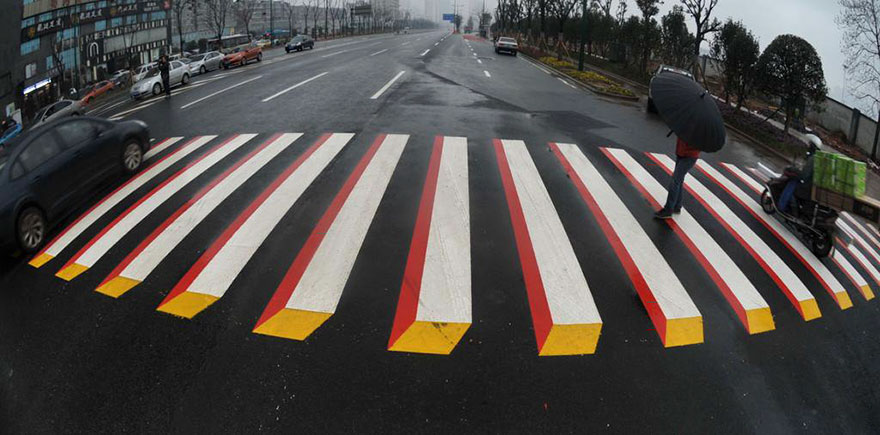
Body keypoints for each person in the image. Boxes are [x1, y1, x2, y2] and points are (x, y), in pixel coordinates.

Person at [655, 137, 701, 219]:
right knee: (679, 180)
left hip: (690, 156)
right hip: (680, 152)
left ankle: (668, 210)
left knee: (675, 180)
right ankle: (677, 206)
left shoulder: (700, 130)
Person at [778, 134, 822, 214]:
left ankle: (784, 207)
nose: (808, 146)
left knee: (791, 184)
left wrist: (794, 170)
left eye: (810, 145)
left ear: (813, 147)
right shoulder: (818, 158)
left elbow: (804, 176)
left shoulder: (813, 159)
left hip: (807, 187)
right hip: (812, 186)